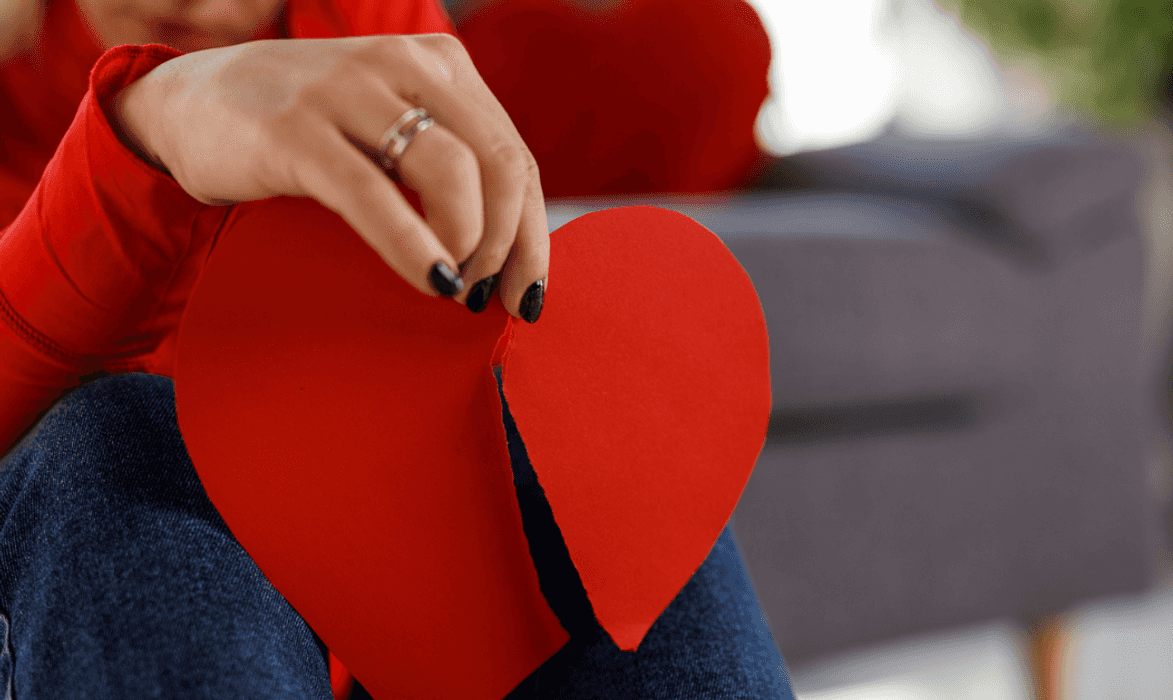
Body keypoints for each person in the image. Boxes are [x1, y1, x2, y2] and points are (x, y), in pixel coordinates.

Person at [0, 0, 794, 697]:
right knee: (120, 433)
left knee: (595, 430)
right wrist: (143, 134)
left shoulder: (368, 32)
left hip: (362, 635)